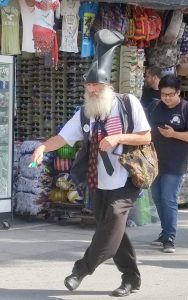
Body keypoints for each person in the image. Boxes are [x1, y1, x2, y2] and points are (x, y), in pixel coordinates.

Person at [32, 29, 151, 297]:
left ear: (108, 85)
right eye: (89, 87)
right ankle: (131, 278)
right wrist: (42, 146)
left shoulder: (127, 103)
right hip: (98, 181)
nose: (93, 91)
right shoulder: (85, 113)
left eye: (97, 86)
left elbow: (146, 135)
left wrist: (118, 137)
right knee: (113, 232)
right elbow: (62, 137)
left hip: (126, 179)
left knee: (110, 226)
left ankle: (80, 271)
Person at [146, 75, 188, 253]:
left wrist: (174, 134)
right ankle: (164, 232)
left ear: (179, 92)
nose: (167, 98)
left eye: (171, 94)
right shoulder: (154, 106)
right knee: (157, 197)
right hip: (154, 161)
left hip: (176, 162)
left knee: (168, 198)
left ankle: (170, 237)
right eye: (164, 94)